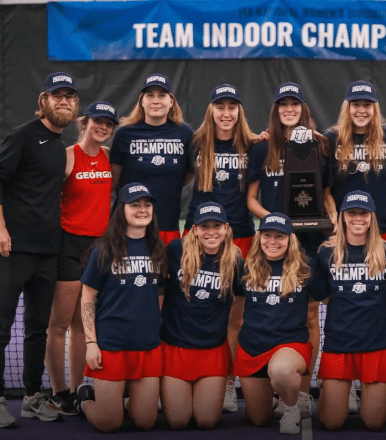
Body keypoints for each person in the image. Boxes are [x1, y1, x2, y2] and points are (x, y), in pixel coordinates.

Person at [0, 71, 78, 428]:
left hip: (48, 252)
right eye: (57, 96)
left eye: (69, 97)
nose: (63, 101)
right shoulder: (22, 135)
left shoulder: (60, 145)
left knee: (38, 329)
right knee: (0, 327)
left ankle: (32, 397)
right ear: (44, 101)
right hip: (13, 250)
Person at [245, 82, 332, 418]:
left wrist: (334, 222)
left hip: (309, 240)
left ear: (303, 108)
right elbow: (251, 199)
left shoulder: (319, 145)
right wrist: (275, 222)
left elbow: (325, 194)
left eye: (295, 104)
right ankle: (274, 384)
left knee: (309, 313)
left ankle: (302, 390)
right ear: (276, 110)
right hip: (273, 240)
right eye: (284, 104)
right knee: (269, 308)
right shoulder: (262, 148)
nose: (290, 109)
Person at [186, 83, 260, 413]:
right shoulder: (194, 142)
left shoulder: (253, 145)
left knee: (234, 317)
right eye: (220, 106)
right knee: (191, 307)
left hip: (239, 234)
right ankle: (183, 376)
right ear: (211, 110)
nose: (226, 113)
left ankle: (228, 383)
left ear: (239, 111)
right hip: (197, 235)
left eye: (232, 107)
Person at [75, 183, 167, 433]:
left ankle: (121, 401)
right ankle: (85, 401)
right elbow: (87, 298)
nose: (142, 209)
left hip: (146, 345)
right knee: (109, 424)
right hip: (112, 344)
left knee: (145, 422)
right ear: (121, 210)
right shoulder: (104, 249)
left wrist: (153, 327)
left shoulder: (157, 247)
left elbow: (160, 294)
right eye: (135, 205)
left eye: (147, 205)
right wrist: (91, 343)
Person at [45, 101, 117, 415]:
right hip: (69, 246)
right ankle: (58, 392)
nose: (103, 128)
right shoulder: (68, 156)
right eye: (98, 121)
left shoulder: (109, 157)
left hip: (98, 248)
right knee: (59, 323)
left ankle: (75, 391)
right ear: (85, 122)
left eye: (109, 124)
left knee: (81, 325)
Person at [312, 190, 386, 432]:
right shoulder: (326, 253)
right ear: (342, 216)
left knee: (374, 423)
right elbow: (325, 297)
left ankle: (350, 391)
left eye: (364, 213)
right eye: (352, 213)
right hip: (339, 345)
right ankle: (333, 387)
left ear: (372, 217)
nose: (358, 218)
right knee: (332, 423)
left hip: (376, 346)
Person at [160, 202, 243, 429]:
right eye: (205, 226)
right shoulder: (176, 250)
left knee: (207, 421)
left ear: (226, 228)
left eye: (217, 225)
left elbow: (239, 310)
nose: (211, 232)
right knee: (178, 422)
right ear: (194, 229)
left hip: (212, 351)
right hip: (176, 348)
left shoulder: (235, 260)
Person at [233, 213, 314, 435]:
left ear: (290, 239)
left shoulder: (306, 267)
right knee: (258, 420)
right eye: (267, 235)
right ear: (259, 237)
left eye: (280, 236)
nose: (272, 241)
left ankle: (291, 408)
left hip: (289, 345)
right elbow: (236, 313)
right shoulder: (245, 267)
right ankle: (279, 392)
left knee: (281, 371)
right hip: (252, 349)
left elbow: (319, 306)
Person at [110, 73, 195, 245]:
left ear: (171, 102)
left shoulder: (185, 133)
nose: (155, 100)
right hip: (128, 225)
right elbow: (115, 178)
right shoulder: (125, 133)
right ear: (141, 101)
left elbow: (187, 174)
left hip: (166, 222)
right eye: (150, 95)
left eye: (162, 95)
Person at [325, 80, 386, 251]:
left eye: (367, 104)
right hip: (344, 230)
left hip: (383, 228)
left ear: (375, 108)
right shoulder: (331, 139)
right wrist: (333, 217)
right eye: (355, 104)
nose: (361, 110)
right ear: (347, 107)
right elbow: (324, 188)